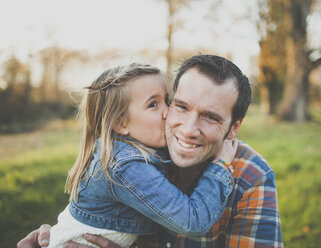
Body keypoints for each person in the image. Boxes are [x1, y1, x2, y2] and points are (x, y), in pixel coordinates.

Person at [18, 55, 283, 248]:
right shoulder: (132, 160)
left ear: (234, 128)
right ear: (121, 124)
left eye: (210, 117)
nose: (188, 129)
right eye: (179, 106)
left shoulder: (251, 176)